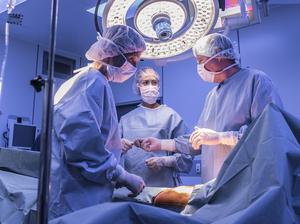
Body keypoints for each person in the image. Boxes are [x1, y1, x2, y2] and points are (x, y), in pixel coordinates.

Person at [140, 33, 283, 183]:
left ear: (218, 54)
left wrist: (221, 137)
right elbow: (198, 141)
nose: (199, 68)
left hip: (246, 183)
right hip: (213, 185)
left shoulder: (256, 81)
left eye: (201, 60)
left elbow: (269, 132)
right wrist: (161, 144)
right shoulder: (212, 96)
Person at [49, 25, 147, 219]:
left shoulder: (95, 82)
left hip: (84, 195)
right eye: (132, 59)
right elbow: (81, 146)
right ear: (111, 53)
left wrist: (116, 146)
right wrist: (122, 176)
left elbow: (90, 135)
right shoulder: (90, 82)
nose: (134, 67)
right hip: (76, 200)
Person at [119, 67, 193, 187]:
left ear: (159, 85)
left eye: (154, 82)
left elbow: (187, 155)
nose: (150, 86)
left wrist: (164, 161)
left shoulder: (171, 116)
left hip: (164, 188)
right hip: (132, 188)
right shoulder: (125, 120)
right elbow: (110, 155)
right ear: (138, 86)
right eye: (145, 82)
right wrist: (119, 146)